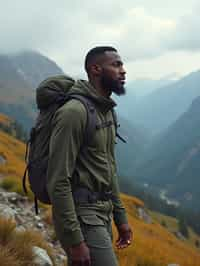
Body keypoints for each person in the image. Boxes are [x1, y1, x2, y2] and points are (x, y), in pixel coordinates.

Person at [47, 46, 133, 266]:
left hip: (102, 211)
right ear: (95, 69)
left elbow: (109, 168)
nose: (123, 71)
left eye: (122, 64)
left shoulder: (106, 110)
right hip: (81, 215)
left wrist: (120, 218)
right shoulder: (74, 113)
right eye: (116, 65)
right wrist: (74, 240)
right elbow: (58, 179)